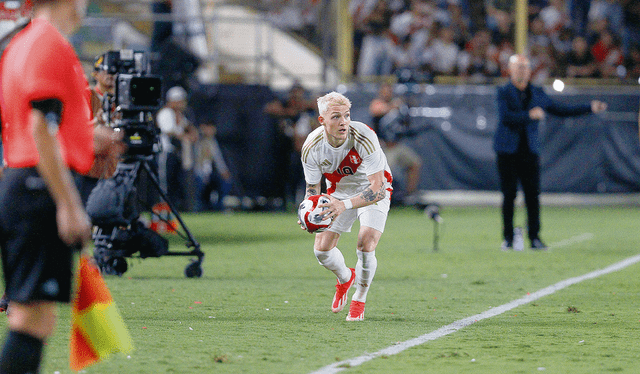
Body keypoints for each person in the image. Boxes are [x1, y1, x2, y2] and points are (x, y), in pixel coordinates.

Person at [0, 0, 112, 372]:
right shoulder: (48, 42)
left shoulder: (24, 41)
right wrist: (69, 204)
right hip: (37, 187)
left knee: (33, 318)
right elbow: (39, 129)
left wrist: (86, 138)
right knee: (32, 320)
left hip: (27, 181)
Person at [494, 54, 607, 252]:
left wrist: (589, 107)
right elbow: (506, 117)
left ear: (530, 71)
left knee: (532, 195)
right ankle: (508, 238)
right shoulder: (503, 91)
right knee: (509, 195)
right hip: (508, 150)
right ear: (510, 70)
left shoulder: (537, 93)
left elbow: (561, 110)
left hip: (529, 150)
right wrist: (528, 115)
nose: (522, 70)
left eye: (525, 67)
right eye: (519, 67)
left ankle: (535, 237)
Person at [299, 91, 393, 321]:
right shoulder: (311, 147)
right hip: (338, 191)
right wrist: (308, 212)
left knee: (366, 242)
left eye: (347, 115)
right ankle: (345, 278)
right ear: (322, 120)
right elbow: (313, 188)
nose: (343, 122)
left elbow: (378, 188)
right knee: (321, 251)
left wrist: (345, 205)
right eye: (336, 117)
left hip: (373, 188)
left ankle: (359, 299)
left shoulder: (363, 136)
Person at [369, 83, 421, 205]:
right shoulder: (378, 103)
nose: (387, 94)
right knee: (385, 173)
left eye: (389, 91)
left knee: (415, 163)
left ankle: (409, 194)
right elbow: (377, 110)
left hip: (396, 145)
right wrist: (394, 106)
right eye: (385, 91)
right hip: (384, 147)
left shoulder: (397, 106)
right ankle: (379, 198)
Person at [156, 85, 199, 211]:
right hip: (165, 152)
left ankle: (174, 207)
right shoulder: (165, 113)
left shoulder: (180, 115)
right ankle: (163, 207)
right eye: (180, 101)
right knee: (165, 182)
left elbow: (189, 128)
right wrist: (185, 136)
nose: (183, 104)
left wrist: (191, 133)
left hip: (176, 154)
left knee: (175, 183)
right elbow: (169, 131)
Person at [194, 122, 232, 212]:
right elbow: (195, 160)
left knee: (225, 181)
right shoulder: (197, 140)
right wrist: (202, 175)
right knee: (199, 182)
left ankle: (219, 206)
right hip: (198, 172)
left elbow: (218, 159)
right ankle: (199, 206)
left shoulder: (212, 142)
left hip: (209, 173)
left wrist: (224, 171)